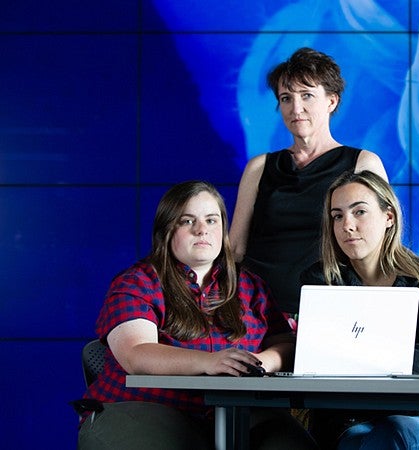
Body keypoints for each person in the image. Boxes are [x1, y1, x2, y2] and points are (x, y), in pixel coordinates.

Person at [75, 181, 317, 450]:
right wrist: (211, 362)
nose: (202, 230)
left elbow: (287, 344)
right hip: (144, 406)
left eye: (211, 220)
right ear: (166, 230)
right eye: (187, 221)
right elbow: (136, 354)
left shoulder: (250, 286)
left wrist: (260, 363)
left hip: (239, 410)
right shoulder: (136, 283)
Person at [300, 170, 419, 450]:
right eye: (337, 216)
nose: (347, 225)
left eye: (359, 212)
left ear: (388, 217)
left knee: (405, 432)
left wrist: (352, 354)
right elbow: (318, 359)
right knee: (385, 437)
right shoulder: (320, 282)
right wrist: (408, 370)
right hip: (348, 422)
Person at [229, 47, 388, 317]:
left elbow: (380, 249)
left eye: (307, 96)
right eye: (286, 98)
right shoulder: (259, 167)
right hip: (255, 310)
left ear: (332, 101)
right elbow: (236, 248)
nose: (296, 108)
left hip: (330, 310)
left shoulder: (363, 163)